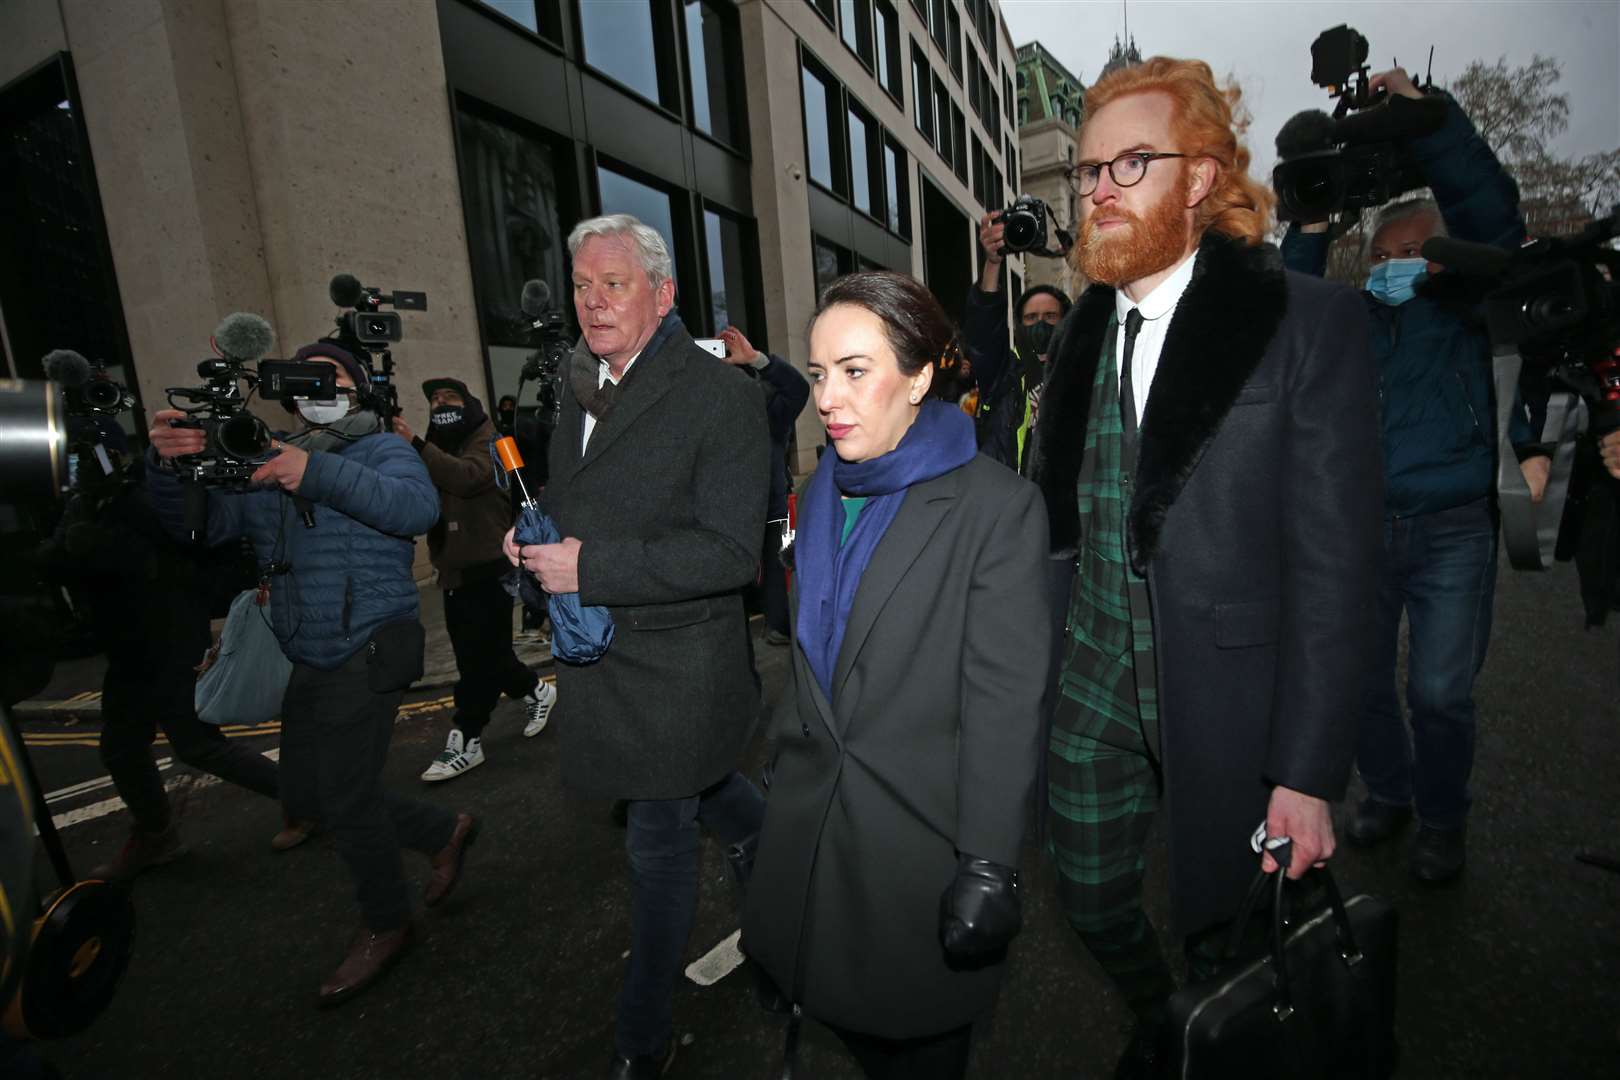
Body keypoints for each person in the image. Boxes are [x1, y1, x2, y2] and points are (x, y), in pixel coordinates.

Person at [1028, 57, 1383, 1076]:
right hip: (1092, 673)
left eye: (1128, 164)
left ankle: (1207, 1028)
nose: (1097, 189)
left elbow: (1336, 566)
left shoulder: (1305, 320)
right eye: (1089, 171)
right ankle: (1170, 1016)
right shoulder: (1078, 333)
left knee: (1227, 926)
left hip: (1231, 695)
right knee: (1090, 897)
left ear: (1199, 179)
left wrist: (1308, 774)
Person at [740, 272, 1050, 1079]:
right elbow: (813, 663)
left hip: (919, 853)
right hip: (811, 845)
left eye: (855, 370)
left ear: (918, 377)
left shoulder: (996, 508)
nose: (828, 399)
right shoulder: (818, 487)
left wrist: (989, 862)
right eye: (816, 374)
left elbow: (1004, 702)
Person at [503, 214, 768, 1079]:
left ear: (663, 294)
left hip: (679, 669)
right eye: (582, 284)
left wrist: (591, 565)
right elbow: (579, 508)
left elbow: (733, 552)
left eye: (612, 284)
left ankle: (640, 1041)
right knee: (716, 792)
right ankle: (772, 857)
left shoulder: (722, 395)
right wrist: (532, 543)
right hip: (602, 658)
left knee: (656, 843)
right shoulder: (575, 389)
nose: (592, 302)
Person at [147, 340, 477, 1007]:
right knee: (305, 792)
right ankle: (443, 832)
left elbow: (415, 511)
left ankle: (388, 922)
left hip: (370, 643)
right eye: (305, 379)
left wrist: (312, 473)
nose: (317, 387)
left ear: (357, 387)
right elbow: (204, 528)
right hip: (307, 646)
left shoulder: (382, 447)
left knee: (347, 797)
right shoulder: (266, 453)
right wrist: (170, 466)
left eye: (331, 375)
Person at [1283, 69, 1549, 885]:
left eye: (1417, 252)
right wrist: (1312, 217)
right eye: (1384, 254)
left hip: (1453, 527)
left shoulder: (1466, 310)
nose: (1399, 264)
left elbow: (1493, 219)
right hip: (1362, 528)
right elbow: (1285, 305)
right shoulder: (1348, 322)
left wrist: (1431, 123)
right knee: (1358, 682)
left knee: (1439, 693)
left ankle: (1442, 817)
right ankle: (1390, 794)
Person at [36, 424, 282, 878]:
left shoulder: (146, 494)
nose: (82, 467)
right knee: (122, 746)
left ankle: (311, 800)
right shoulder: (85, 503)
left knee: (198, 746)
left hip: (170, 640)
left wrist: (111, 539)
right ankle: (156, 831)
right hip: (126, 648)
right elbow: (52, 557)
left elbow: (186, 548)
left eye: (90, 456)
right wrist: (76, 543)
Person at [393, 377, 555, 782]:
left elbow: (467, 477)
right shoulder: (437, 442)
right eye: (433, 398)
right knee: (488, 656)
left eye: (449, 397)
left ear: (468, 402)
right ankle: (537, 691)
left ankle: (467, 737)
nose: (439, 403)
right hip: (453, 569)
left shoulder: (493, 440)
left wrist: (415, 443)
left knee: (477, 662)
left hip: (492, 566)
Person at [715, 325, 810, 648]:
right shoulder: (706, 417)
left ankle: (779, 624)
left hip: (773, 514)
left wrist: (756, 358)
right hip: (726, 522)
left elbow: (798, 388)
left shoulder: (770, 411)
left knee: (780, 581)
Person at [962, 214, 1071, 475]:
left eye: (1050, 316)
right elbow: (984, 327)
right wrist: (992, 262)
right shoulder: (1004, 373)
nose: (1040, 324)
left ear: (1066, 320)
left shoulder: (1081, 369)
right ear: (1020, 324)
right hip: (1012, 500)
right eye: (1031, 318)